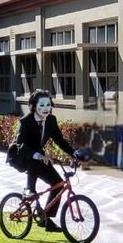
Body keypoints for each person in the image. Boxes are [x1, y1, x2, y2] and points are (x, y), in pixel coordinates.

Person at [17, 91, 83, 232]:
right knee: (33, 176)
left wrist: (74, 153)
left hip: (40, 156)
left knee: (58, 185)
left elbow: (60, 140)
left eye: (48, 104)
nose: (46, 108)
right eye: (42, 105)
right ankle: (29, 189)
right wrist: (39, 156)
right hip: (23, 156)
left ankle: (46, 218)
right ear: (34, 106)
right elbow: (21, 145)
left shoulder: (51, 120)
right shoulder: (25, 121)